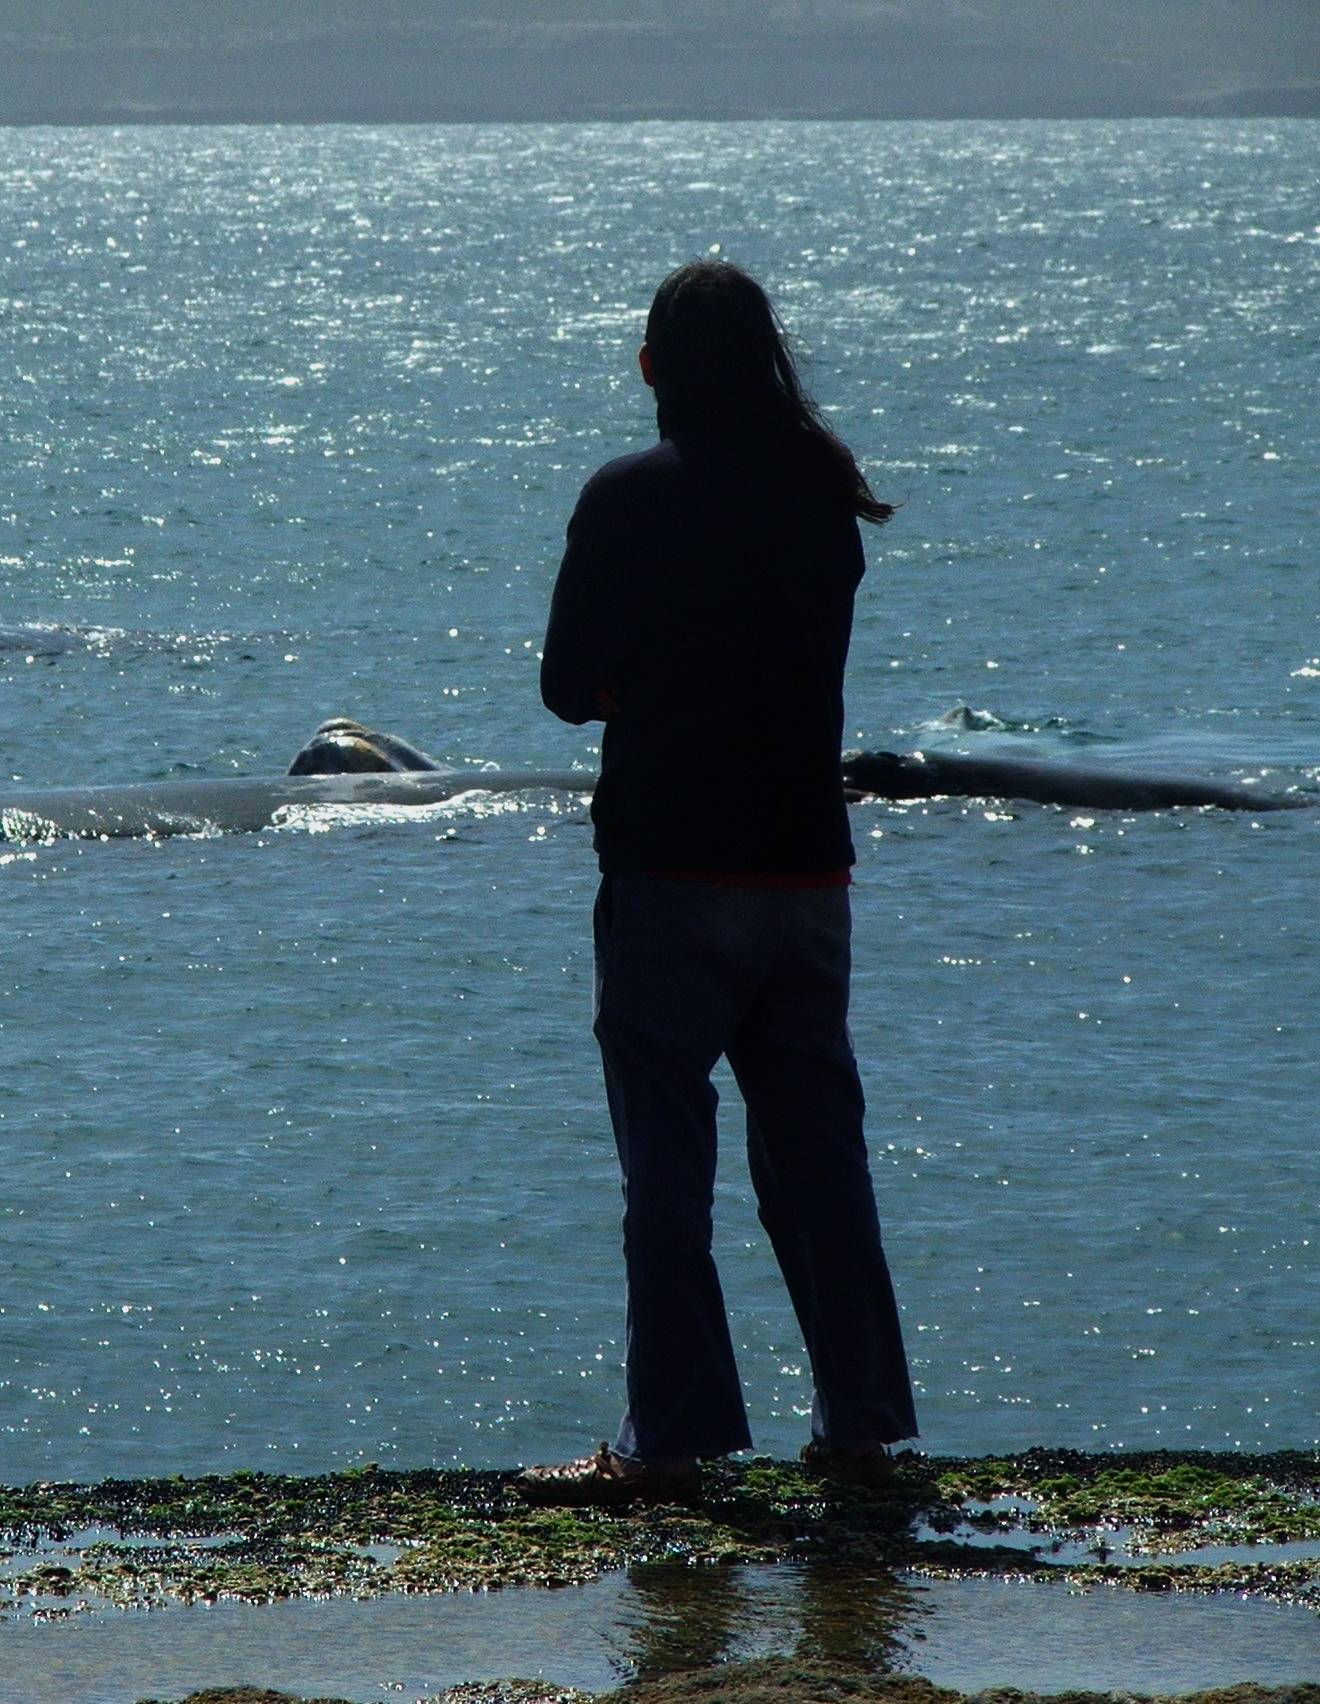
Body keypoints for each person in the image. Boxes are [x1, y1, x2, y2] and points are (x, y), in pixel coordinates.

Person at [520, 260, 918, 1504]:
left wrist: (627, 678)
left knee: (668, 1177)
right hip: (806, 873)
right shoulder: (821, 492)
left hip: (672, 869)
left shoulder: (630, 496)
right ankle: (858, 1433)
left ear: (651, 370)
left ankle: (667, 1445)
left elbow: (562, 683)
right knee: (818, 1170)